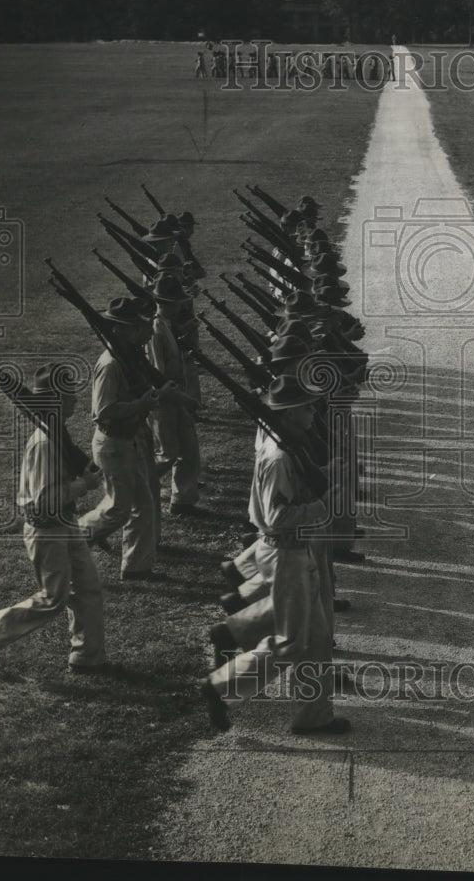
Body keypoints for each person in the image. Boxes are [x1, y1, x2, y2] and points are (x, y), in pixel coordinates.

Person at [200, 375, 349, 735]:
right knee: (291, 642)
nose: (314, 411)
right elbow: (277, 517)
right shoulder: (280, 456)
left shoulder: (287, 446)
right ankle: (219, 687)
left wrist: (329, 474)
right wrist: (322, 504)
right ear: (289, 413)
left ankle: (314, 717)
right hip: (286, 554)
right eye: (307, 406)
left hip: (294, 551)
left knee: (314, 639)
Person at [0, 363, 120, 674]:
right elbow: (45, 500)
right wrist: (84, 486)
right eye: (68, 397)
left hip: (64, 524)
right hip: (47, 529)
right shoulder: (45, 444)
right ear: (54, 402)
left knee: (88, 589)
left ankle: (88, 658)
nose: (76, 402)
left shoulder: (57, 434)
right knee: (54, 598)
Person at [78, 298, 173, 580]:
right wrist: (142, 405)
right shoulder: (111, 364)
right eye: (142, 327)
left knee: (138, 505)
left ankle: (136, 567)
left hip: (127, 440)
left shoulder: (128, 357)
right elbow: (104, 412)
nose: (149, 332)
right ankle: (74, 538)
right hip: (114, 444)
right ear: (126, 330)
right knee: (121, 508)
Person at [146, 274, 204, 517]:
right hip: (164, 399)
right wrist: (184, 399)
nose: (182, 305)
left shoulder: (167, 324)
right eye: (178, 301)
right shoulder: (156, 330)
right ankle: (138, 488)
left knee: (189, 449)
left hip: (176, 393)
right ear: (166, 302)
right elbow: (157, 375)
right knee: (167, 454)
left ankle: (183, 501)